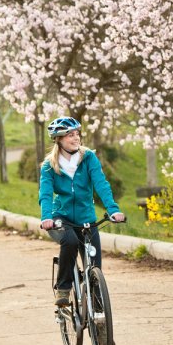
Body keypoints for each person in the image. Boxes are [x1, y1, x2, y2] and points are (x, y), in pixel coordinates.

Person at [38, 117, 125, 307]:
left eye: (77, 134)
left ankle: (102, 331)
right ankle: (63, 288)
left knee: (95, 273)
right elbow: (45, 194)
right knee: (69, 241)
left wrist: (113, 209)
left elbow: (101, 184)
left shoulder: (88, 158)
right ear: (59, 139)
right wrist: (46, 217)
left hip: (87, 220)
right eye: (70, 135)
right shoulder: (49, 166)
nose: (76, 138)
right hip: (61, 219)